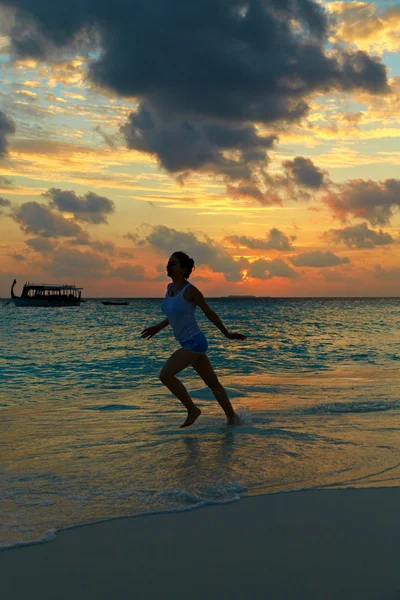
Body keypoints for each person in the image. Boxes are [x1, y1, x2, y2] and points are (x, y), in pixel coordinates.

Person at [140, 251, 247, 428]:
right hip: (188, 343)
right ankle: (233, 419)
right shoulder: (169, 289)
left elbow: (208, 312)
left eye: (173, 264)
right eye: (168, 263)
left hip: (195, 342)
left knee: (165, 375)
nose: (168, 266)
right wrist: (157, 327)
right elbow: (174, 315)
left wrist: (226, 333)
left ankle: (192, 409)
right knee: (213, 383)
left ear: (183, 269)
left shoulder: (191, 291)